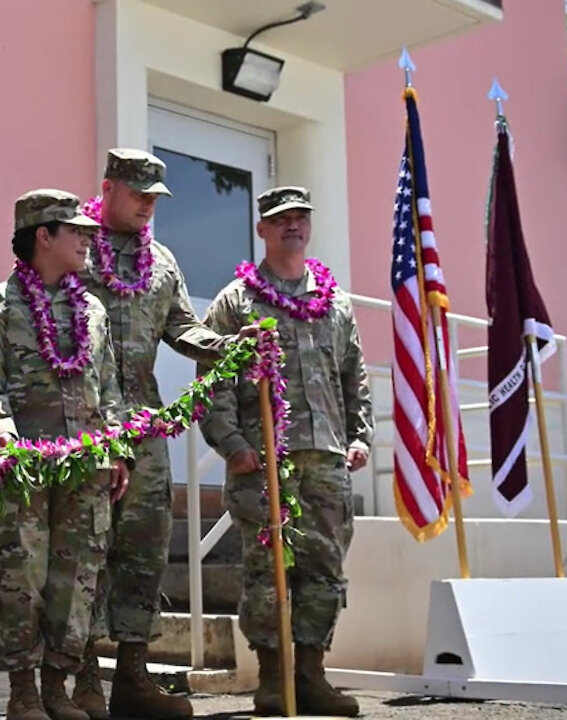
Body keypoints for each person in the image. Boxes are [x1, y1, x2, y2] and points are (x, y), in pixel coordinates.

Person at [76, 148, 257, 719]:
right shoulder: (74, 248)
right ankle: (79, 678)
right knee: (83, 547)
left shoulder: (162, 261)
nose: (149, 206)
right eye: (139, 195)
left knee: (143, 548)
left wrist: (229, 348)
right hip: (83, 421)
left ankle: (132, 676)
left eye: (156, 197)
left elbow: (183, 329)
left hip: (145, 422)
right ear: (108, 189)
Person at [198, 186, 373, 717]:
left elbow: (353, 376)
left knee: (323, 571)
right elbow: (213, 379)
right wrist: (231, 446)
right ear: (263, 231)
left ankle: (311, 675)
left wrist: (360, 435)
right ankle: (273, 680)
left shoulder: (335, 302)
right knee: (266, 571)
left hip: (326, 457)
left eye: (300, 217)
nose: (292, 226)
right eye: (281, 220)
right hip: (264, 460)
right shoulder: (236, 302)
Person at [0, 189, 132, 720]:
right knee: (21, 579)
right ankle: (23, 692)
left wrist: (117, 447)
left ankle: (58, 686)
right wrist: (1, 435)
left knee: (76, 581)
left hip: (85, 467)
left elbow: (108, 388)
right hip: (22, 471)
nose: (87, 239)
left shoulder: (94, 310)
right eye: (76, 231)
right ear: (43, 236)